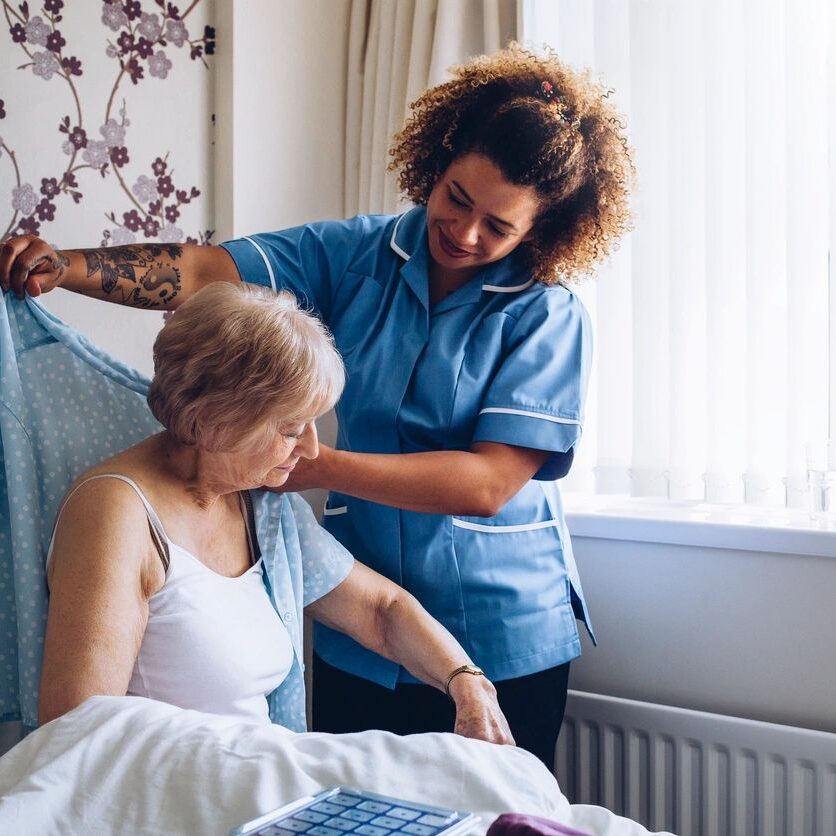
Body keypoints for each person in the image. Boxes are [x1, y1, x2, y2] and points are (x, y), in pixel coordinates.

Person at [2, 44, 633, 769]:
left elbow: (488, 484)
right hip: (359, 634)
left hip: (498, 627)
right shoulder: (354, 254)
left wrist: (305, 460)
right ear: (438, 162)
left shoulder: (546, 315)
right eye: (458, 199)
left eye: (498, 227)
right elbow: (206, 271)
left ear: (541, 230)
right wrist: (65, 268)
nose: (464, 233)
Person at [37, 281, 513, 747]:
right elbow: (77, 735)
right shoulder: (117, 514)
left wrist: (467, 681)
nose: (310, 448)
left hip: (253, 785)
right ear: (210, 420)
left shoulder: (261, 505)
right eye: (290, 428)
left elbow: (380, 610)